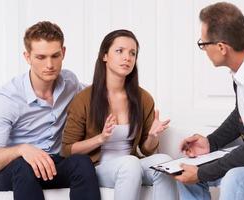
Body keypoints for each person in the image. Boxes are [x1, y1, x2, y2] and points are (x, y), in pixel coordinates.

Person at [0, 21, 100, 200]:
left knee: (81, 162)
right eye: (41, 57)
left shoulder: (70, 83)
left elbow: (101, 94)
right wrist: (22, 149)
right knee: (23, 165)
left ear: (63, 53)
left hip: (54, 165)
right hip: (14, 171)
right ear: (27, 57)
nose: (49, 65)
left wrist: (141, 109)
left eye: (55, 56)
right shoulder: (7, 98)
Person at [174, 2, 244, 200]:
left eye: (203, 44)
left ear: (221, 47)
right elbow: (243, 112)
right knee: (185, 172)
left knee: (234, 179)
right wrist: (210, 143)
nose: (203, 49)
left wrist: (202, 173)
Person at [61, 29, 178, 200]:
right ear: (105, 56)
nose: (127, 58)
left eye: (133, 53)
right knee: (129, 164)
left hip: (131, 166)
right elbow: (67, 149)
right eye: (119, 51)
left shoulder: (143, 98)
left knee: (165, 162)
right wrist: (100, 138)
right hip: (99, 168)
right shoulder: (84, 99)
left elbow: (146, 150)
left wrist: (153, 136)